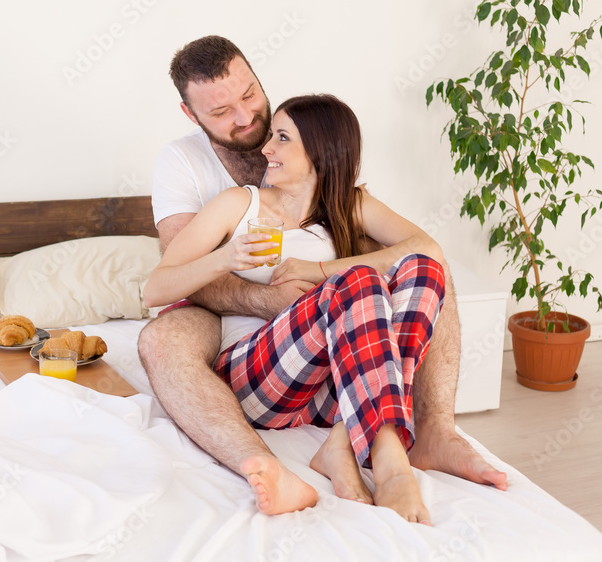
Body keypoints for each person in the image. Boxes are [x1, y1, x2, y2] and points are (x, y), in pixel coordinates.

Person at [137, 35, 508, 515]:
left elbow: (426, 250)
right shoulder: (235, 202)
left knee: (419, 268)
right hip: (262, 370)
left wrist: (318, 271)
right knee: (358, 281)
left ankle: (353, 439)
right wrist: (226, 257)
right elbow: (157, 286)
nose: (260, 137)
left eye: (252, 99)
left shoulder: (346, 204)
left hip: (328, 379)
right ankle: (390, 462)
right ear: (192, 114)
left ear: (319, 152)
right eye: (223, 111)